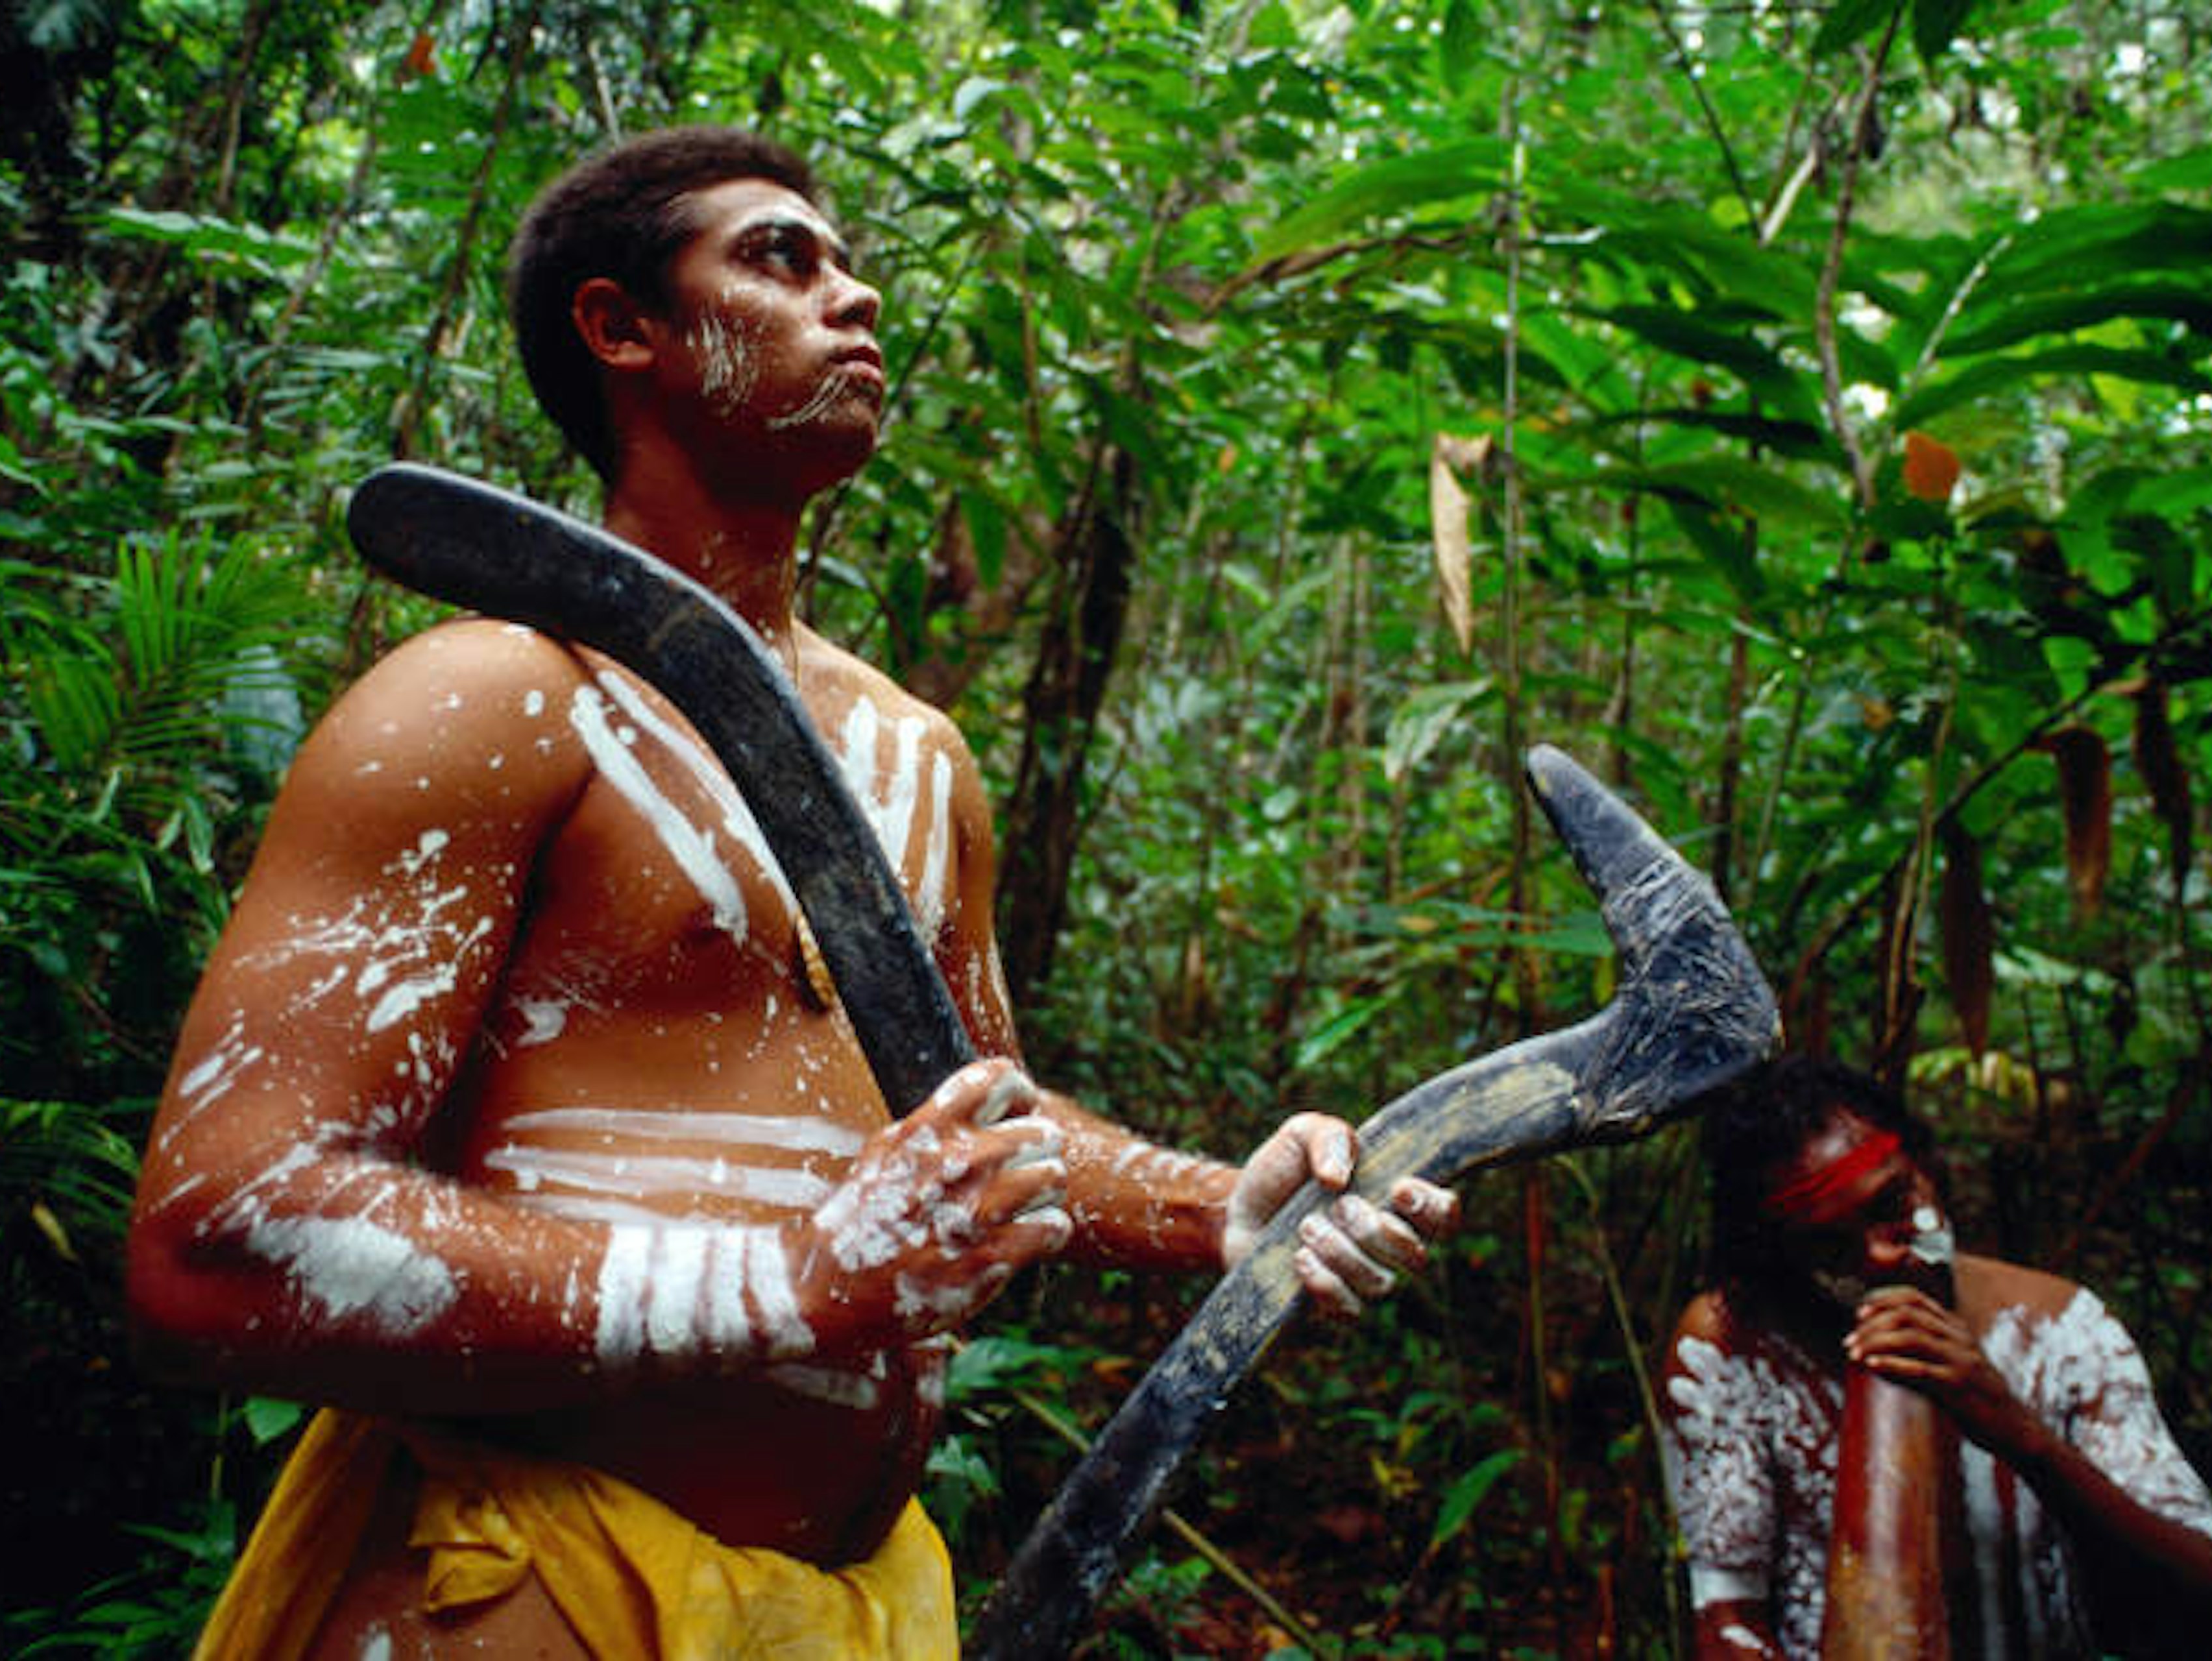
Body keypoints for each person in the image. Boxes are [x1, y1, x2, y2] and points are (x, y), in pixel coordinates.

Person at [124, 126, 1458, 1661]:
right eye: (780, 257)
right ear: (623, 328)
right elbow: (217, 1234)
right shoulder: (490, 699)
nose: (856, 293)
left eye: (848, 258)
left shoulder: (917, 753)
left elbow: (984, 1127)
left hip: (862, 1600)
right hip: (523, 1583)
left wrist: (1210, 1202)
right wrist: (793, 1279)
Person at [1659, 1055, 2212, 1659]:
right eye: (1828, 1244)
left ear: (1927, 1166)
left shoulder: (2060, 1331)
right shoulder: (1732, 1349)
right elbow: (1726, 1621)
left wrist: (2022, 1435)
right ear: (1779, 1258)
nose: (1879, 1255)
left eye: (1891, 1205)